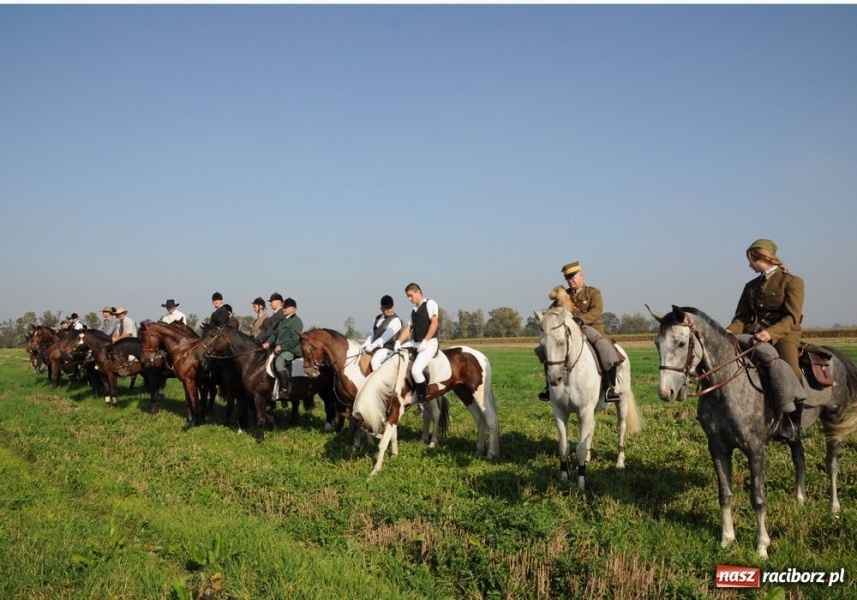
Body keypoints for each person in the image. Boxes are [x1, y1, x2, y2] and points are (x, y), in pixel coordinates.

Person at [726, 238, 806, 441]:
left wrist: (771, 333)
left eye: (752, 259)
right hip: (755, 334)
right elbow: (742, 317)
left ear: (764, 258)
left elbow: (792, 317)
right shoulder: (750, 286)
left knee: (791, 369)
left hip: (784, 334)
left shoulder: (792, 281)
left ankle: (793, 422)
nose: (749, 264)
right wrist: (730, 331)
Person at [536, 261, 623, 402]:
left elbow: (597, 311)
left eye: (573, 278)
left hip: (589, 327)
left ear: (581, 275)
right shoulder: (563, 295)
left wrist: (581, 320)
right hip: (568, 331)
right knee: (545, 350)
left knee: (606, 350)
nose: (570, 281)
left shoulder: (593, 292)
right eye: (567, 279)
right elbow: (552, 311)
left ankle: (610, 387)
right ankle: (548, 387)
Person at [395, 283, 439, 408]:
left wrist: (425, 341)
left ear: (418, 292)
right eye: (407, 297)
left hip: (429, 343)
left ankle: (423, 400)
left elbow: (434, 323)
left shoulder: (430, 304)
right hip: (415, 342)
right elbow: (408, 328)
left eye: (411, 296)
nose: (409, 299)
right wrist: (398, 342)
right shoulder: (413, 311)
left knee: (416, 371)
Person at [259, 295, 303, 400]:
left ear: (293, 309)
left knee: (278, 363)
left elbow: (295, 339)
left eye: (286, 307)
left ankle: (284, 389)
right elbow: (275, 334)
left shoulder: (296, 321)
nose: (284, 309)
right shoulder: (283, 320)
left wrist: (281, 347)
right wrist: (268, 343)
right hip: (279, 349)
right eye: (284, 307)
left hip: (290, 350)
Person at [362, 295, 403, 371]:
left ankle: (380, 382)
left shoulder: (395, 321)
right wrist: (366, 344)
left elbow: (385, 337)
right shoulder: (377, 319)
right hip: (377, 348)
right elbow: (372, 334)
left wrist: (372, 346)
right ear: (381, 308)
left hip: (388, 348)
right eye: (387, 308)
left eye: (390, 308)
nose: (389, 310)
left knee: (375, 361)